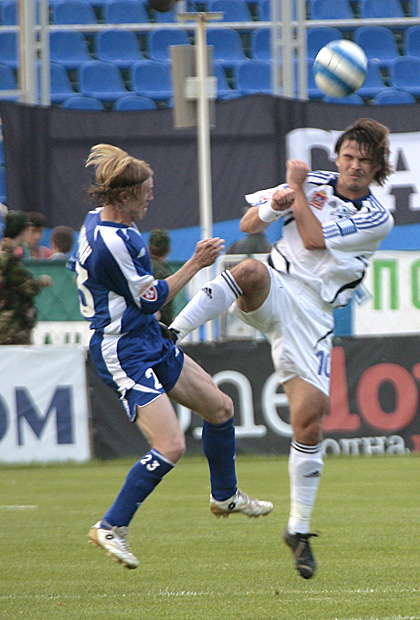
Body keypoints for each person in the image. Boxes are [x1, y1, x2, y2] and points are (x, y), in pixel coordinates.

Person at [169, 118, 394, 579]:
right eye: (348, 157)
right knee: (249, 269)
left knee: (309, 419)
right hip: (277, 284)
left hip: (314, 313)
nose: (355, 166)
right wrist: (276, 204)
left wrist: (295, 189)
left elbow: (313, 239)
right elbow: (249, 222)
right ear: (338, 157)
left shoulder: (377, 216)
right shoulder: (312, 181)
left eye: (365, 161)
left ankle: (298, 530)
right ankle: (170, 334)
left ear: (377, 168)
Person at [74, 144, 273, 570]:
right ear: (123, 195)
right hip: (122, 348)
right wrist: (196, 263)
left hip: (145, 336)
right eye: (145, 191)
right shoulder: (113, 241)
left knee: (220, 407)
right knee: (171, 444)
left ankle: (225, 496)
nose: (151, 196)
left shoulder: (103, 221)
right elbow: (151, 299)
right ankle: (111, 525)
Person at [0, 211, 52, 344]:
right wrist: (41, 281)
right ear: (23, 231)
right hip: (10, 328)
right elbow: (29, 288)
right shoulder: (9, 260)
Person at [148, 228, 174, 326]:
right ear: (168, 250)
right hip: (160, 326)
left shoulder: (141, 266)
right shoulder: (164, 271)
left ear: (149, 248)